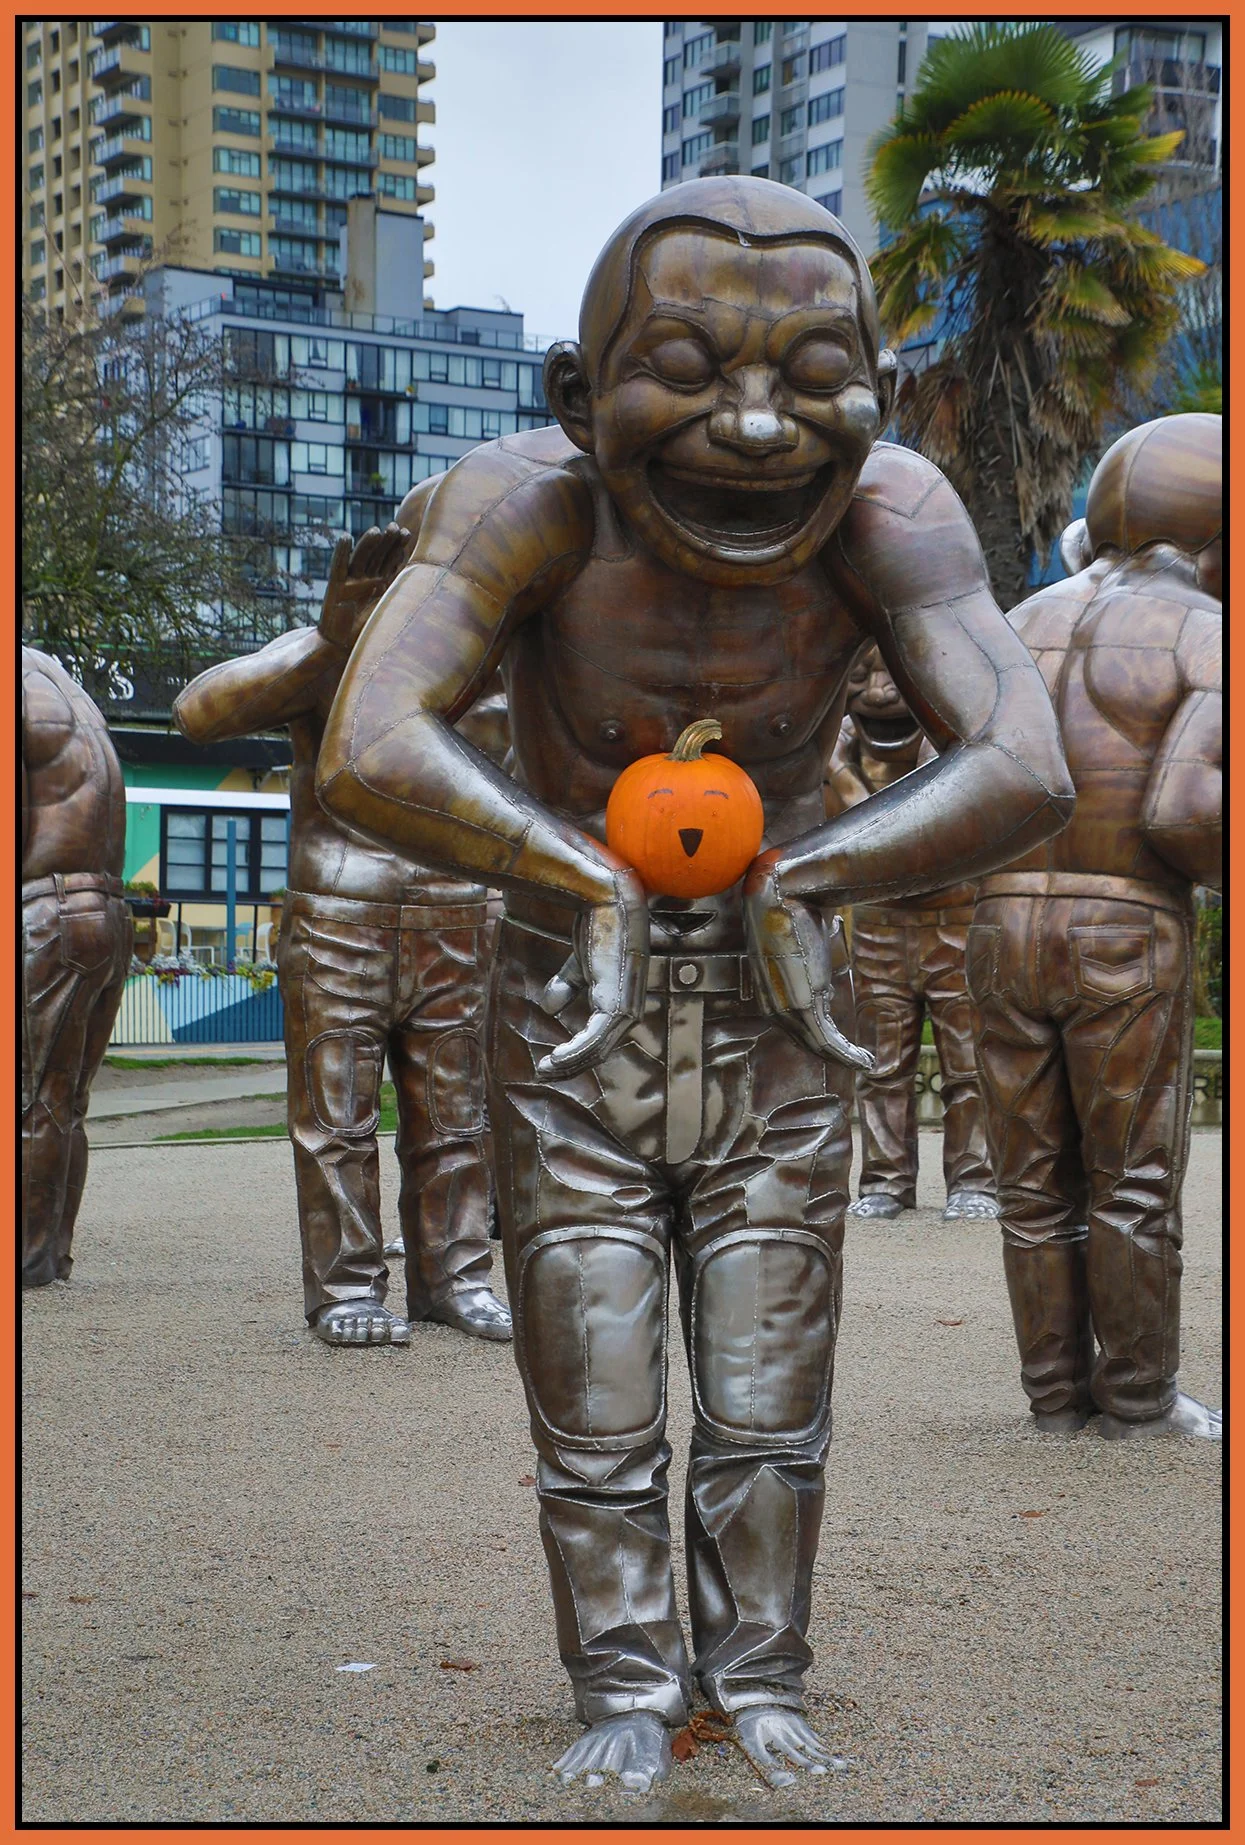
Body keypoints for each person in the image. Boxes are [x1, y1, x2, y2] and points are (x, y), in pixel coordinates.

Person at [316, 178, 1073, 1791]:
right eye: (688, 368)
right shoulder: (527, 503)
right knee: (590, 1382)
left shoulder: (894, 512)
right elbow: (368, 739)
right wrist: (578, 869)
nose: (753, 427)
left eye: (812, 374)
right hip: (562, 1015)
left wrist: (805, 872)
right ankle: (625, 1677)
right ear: (581, 398)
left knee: (765, 1383)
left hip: (782, 1010)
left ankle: (759, 1667)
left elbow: (1029, 759)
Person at [173, 511, 511, 1347]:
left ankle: (456, 1277)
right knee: (336, 1116)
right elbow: (198, 713)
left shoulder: (509, 659)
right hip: (341, 915)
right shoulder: (335, 650)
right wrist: (330, 645)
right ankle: (346, 1287)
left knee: (458, 1118)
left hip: (464, 920)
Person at [967, 412, 1221, 1441]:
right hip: (1124, 929)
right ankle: (1139, 1402)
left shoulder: (1017, 620)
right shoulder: (1207, 630)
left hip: (1001, 923)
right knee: (1132, 1179)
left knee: (1030, 1182)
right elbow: (1185, 811)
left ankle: (1055, 1399)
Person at [825, 646, 996, 1220]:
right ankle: (884, 1181)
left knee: (968, 1061)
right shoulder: (835, 748)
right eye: (861, 674)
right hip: (876, 925)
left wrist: (848, 781)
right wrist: (837, 769)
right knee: (879, 1064)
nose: (878, 691)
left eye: (892, 673)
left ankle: (973, 1178)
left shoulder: (960, 741)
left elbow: (918, 821)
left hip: (957, 923)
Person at [22, 646, 133, 1287]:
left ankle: (26, 1262)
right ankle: (50, 1252)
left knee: (32, 1098)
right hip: (107, 912)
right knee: (65, 1100)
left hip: (49, 909)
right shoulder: (65, 684)